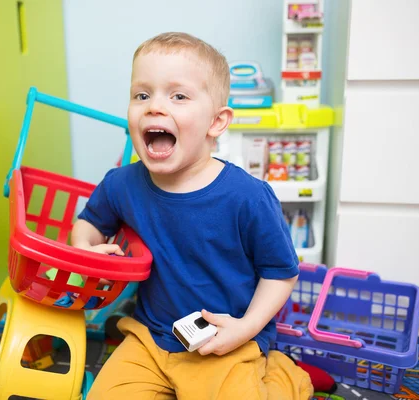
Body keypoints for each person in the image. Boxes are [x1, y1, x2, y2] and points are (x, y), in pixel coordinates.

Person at [71, 32, 313, 399]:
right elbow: (89, 223)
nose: (154, 106)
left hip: (224, 342)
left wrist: (245, 328)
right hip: (150, 339)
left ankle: (282, 376)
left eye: (178, 96)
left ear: (216, 122)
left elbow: (281, 273)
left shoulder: (247, 197)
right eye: (142, 95)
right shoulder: (121, 183)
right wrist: (85, 248)